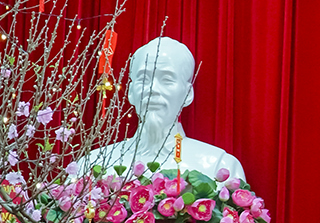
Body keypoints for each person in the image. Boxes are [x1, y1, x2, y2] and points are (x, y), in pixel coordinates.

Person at [87, 37, 246, 182]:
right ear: (130, 92)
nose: (152, 89)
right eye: (144, 79)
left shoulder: (219, 167)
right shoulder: (92, 166)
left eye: (167, 79)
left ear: (188, 94)